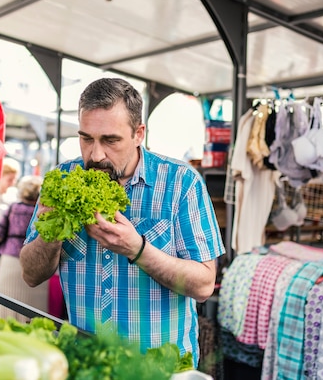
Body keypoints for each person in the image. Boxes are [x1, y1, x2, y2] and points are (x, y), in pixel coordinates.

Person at [20, 77, 224, 366]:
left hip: (158, 369)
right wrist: (52, 231)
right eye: (86, 138)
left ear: (139, 133)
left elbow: (204, 285)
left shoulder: (181, 182)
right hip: (87, 362)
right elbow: (30, 275)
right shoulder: (63, 180)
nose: (96, 154)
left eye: (110, 140)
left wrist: (137, 249)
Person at [0, 175, 45, 322]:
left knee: (6, 304)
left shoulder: (13, 208)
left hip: (10, 260)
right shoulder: (43, 211)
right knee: (34, 309)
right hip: (36, 260)